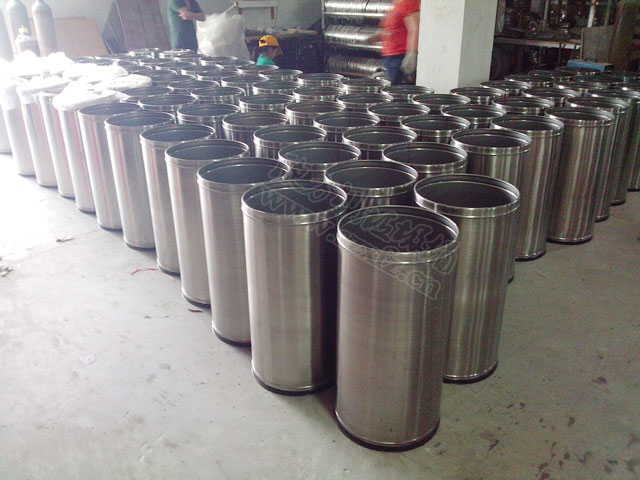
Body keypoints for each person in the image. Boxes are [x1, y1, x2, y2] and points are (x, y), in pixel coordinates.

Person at [369, 0, 420, 85]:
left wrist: (411, 53)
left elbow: (414, 28)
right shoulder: (396, 6)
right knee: (390, 87)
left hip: (399, 58)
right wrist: (378, 36)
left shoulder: (408, 2)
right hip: (391, 58)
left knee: (393, 89)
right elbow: (394, 30)